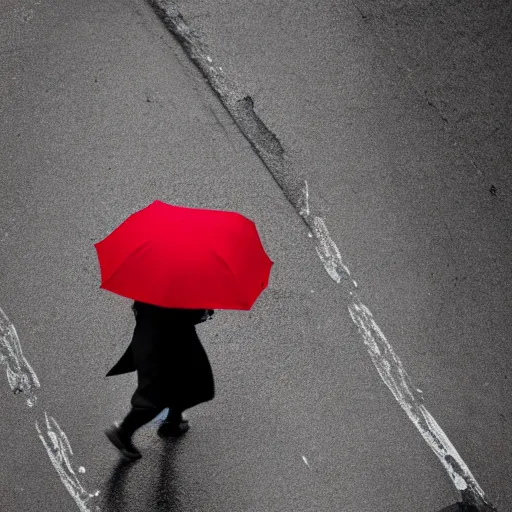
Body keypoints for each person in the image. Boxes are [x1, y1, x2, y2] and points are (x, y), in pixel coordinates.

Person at [105, 301, 215, 460]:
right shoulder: (184, 290)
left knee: (181, 384)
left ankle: (173, 420)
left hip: (158, 337)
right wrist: (204, 312)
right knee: (172, 391)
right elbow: (189, 315)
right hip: (170, 342)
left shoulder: (156, 287)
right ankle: (124, 432)